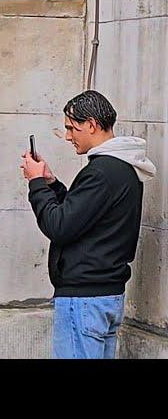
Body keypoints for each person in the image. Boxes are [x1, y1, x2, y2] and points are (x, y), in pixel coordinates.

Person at [21, 90, 156, 359]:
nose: (68, 136)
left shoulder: (102, 171)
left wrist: (36, 184)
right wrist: (51, 184)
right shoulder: (123, 168)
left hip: (84, 299)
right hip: (104, 295)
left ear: (91, 125)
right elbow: (82, 216)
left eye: (72, 128)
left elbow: (59, 225)